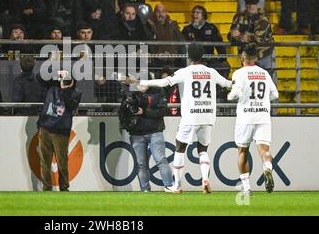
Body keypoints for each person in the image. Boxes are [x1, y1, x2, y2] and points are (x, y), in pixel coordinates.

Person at [128, 43, 232, 193]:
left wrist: (139, 82)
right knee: (203, 150)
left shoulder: (184, 72)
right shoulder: (211, 72)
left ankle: (176, 185)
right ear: (202, 56)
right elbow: (229, 84)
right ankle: (205, 179)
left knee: (180, 149)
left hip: (191, 116)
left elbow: (163, 83)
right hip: (208, 116)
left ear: (188, 56)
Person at [227, 43, 279, 195]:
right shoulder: (264, 74)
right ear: (256, 58)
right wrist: (263, 101)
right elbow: (275, 95)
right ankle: (267, 168)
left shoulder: (239, 74)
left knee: (242, 151)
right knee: (264, 151)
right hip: (263, 116)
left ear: (242, 57)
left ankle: (247, 188)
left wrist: (230, 95)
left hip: (246, 117)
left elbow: (235, 94)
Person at [118, 75, 176, 192]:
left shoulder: (158, 90)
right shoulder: (130, 93)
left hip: (155, 131)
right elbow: (122, 113)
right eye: (139, 84)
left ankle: (169, 186)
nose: (141, 87)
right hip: (136, 133)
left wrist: (144, 111)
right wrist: (127, 122)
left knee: (161, 160)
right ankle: (145, 189)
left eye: (144, 83)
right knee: (141, 164)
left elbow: (163, 110)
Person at [37, 70, 81, 191]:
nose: (65, 81)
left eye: (68, 79)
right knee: (44, 161)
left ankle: (64, 187)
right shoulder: (52, 87)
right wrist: (52, 69)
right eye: (64, 79)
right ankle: (46, 187)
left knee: (62, 162)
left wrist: (65, 88)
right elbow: (39, 77)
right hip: (45, 127)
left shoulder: (76, 93)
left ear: (73, 81)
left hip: (61, 131)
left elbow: (71, 106)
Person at [228, 0, 276, 82]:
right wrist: (235, 35)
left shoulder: (263, 18)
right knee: (249, 81)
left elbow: (258, 37)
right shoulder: (239, 16)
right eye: (248, 4)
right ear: (245, 5)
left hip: (264, 54)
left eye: (253, 4)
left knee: (269, 81)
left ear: (257, 5)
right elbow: (231, 34)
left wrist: (240, 35)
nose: (250, 7)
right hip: (247, 55)